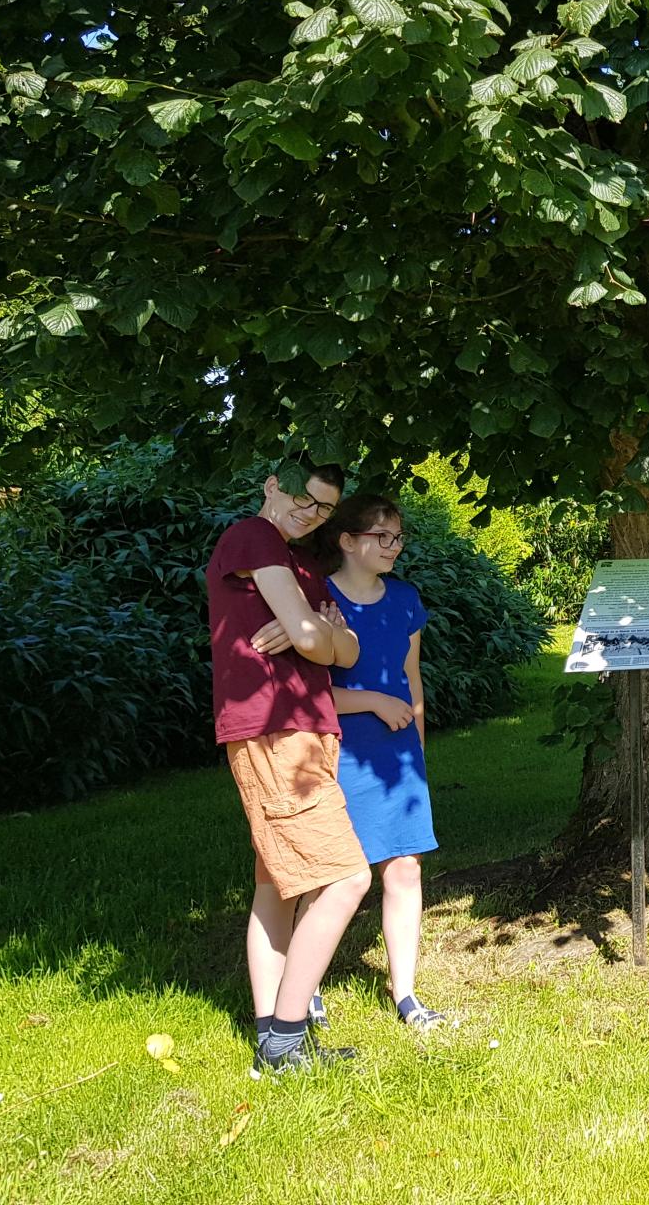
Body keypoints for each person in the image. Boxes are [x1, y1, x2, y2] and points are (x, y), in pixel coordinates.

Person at [207, 458, 372, 1074]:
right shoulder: (252, 537)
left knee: (276, 885)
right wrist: (309, 632)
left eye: (325, 507)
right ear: (273, 485)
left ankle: (276, 1034)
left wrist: (313, 633)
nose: (311, 512)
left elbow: (343, 648)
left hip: (307, 728)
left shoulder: (302, 564)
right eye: (304, 497)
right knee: (345, 878)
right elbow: (316, 639)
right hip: (274, 730)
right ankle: (284, 1038)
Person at [315, 494, 447, 1032]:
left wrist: (417, 744)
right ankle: (308, 988)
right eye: (382, 537)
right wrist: (370, 700)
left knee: (404, 865)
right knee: (328, 873)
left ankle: (407, 997)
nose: (394, 547)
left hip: (398, 755)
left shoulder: (405, 599)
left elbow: (410, 676)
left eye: (398, 538)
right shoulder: (318, 599)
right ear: (348, 542)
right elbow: (306, 692)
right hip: (336, 749)